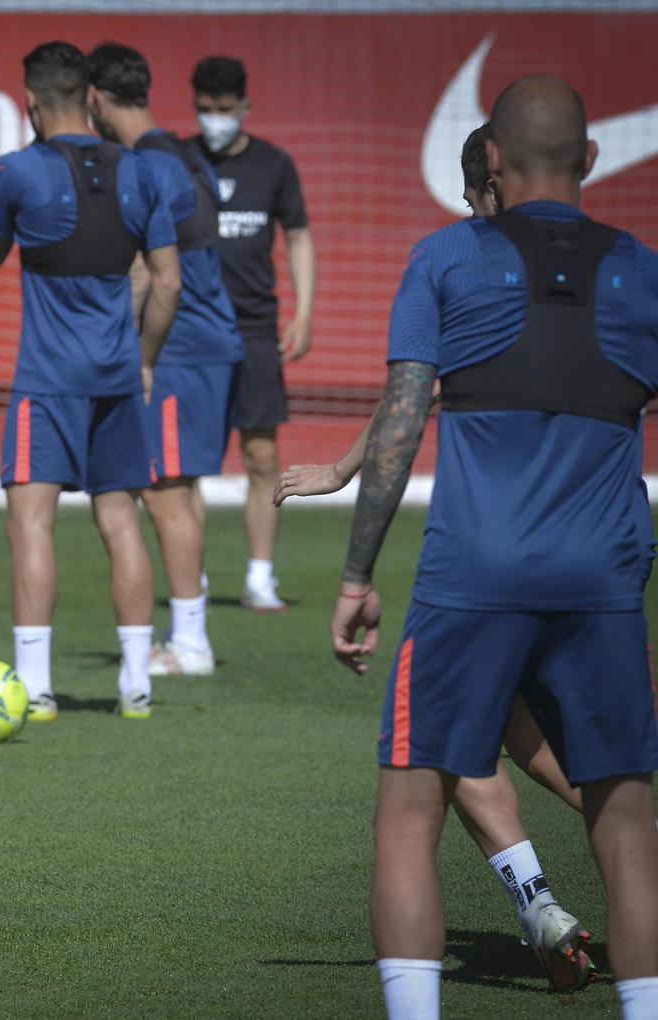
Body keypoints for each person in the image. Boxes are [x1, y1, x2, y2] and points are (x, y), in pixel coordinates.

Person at [329, 77, 658, 1018]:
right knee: (627, 829)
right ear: (591, 160)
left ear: (494, 164)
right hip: (603, 579)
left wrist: (357, 573)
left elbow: (400, 422)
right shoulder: (644, 273)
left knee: (408, 816)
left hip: (472, 577)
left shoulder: (444, 259)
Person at [277, 122, 594, 993]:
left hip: (486, 563)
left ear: (483, 184)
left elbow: (415, 394)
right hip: (595, 564)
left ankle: (533, 909)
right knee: (545, 752)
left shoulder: (459, 264)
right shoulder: (613, 268)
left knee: (434, 747)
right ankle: (542, 908)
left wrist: (348, 511)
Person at [0, 41, 180, 720]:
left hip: (48, 382)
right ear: (90, 96)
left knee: (31, 523)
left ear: (29, 102)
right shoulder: (145, 171)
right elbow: (170, 283)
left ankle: (34, 688)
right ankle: (136, 684)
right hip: (119, 377)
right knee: (121, 521)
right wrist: (144, 359)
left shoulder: (16, 171)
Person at [86, 43, 244, 677]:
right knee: (180, 492)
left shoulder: (145, 164)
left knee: (164, 496)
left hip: (179, 351)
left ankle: (190, 645)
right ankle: (188, 630)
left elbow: (151, 274)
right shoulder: (176, 154)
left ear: (95, 98)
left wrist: (136, 355)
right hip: (207, 347)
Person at [192, 55, 316, 612]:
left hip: (256, 330)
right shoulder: (180, 158)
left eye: (224, 109)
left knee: (263, 456)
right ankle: (187, 577)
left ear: (244, 107)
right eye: (205, 109)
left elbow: (298, 237)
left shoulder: (274, 164)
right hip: (190, 331)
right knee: (187, 463)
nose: (215, 118)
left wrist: (305, 311)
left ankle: (260, 579)